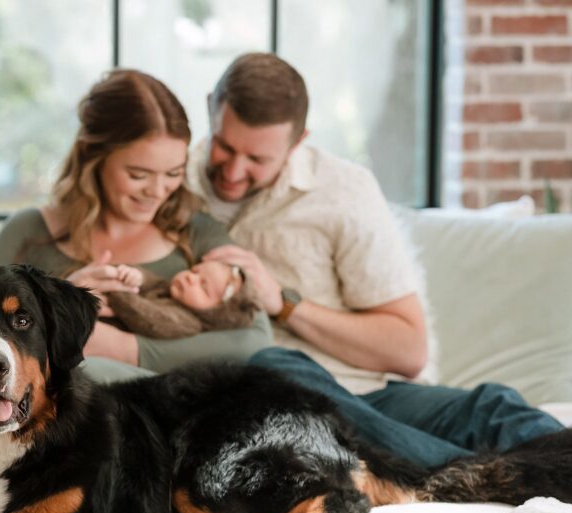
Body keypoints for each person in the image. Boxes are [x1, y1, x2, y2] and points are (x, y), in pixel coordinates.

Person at [189, 52, 564, 467]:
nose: (234, 171)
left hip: (367, 394)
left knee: (492, 407)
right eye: (224, 146)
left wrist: (283, 303)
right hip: (269, 399)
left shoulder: (342, 191)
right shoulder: (169, 180)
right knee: (275, 369)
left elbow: (407, 350)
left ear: (298, 142)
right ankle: (481, 476)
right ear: (210, 107)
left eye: (258, 160)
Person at [0, 68, 271, 381]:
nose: (158, 191)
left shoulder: (198, 232)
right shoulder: (28, 231)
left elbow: (254, 341)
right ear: (95, 157)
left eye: (173, 173)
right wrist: (62, 305)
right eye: (138, 175)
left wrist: (125, 348)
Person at [105, 261, 259, 340]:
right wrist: (136, 276)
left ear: (215, 313)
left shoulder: (186, 323)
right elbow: (152, 282)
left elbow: (147, 317)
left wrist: (119, 290)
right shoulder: (171, 290)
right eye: (195, 271)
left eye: (203, 287)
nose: (191, 278)